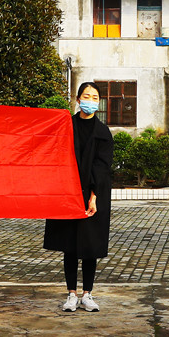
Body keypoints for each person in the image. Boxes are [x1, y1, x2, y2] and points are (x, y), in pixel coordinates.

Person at [42, 81, 113, 313]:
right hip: (67, 192)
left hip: (92, 195)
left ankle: (87, 294)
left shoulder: (102, 132)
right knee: (70, 246)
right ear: (77, 99)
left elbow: (102, 167)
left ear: (99, 102)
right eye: (86, 96)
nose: (90, 101)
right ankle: (71, 294)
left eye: (94, 97)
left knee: (90, 246)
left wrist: (94, 197)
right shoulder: (66, 127)